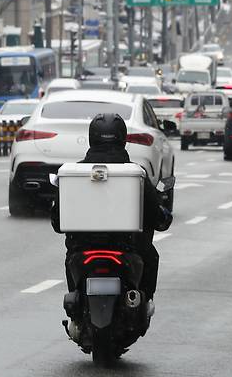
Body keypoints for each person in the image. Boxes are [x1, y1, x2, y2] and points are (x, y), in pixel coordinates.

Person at [51, 113, 172, 301]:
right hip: (127, 248)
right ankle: (144, 301)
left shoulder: (74, 173)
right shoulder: (135, 173)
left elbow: (57, 223)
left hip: (82, 248)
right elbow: (157, 217)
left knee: (71, 260)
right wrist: (161, 215)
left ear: (92, 137)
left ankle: (76, 302)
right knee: (151, 256)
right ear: (122, 138)